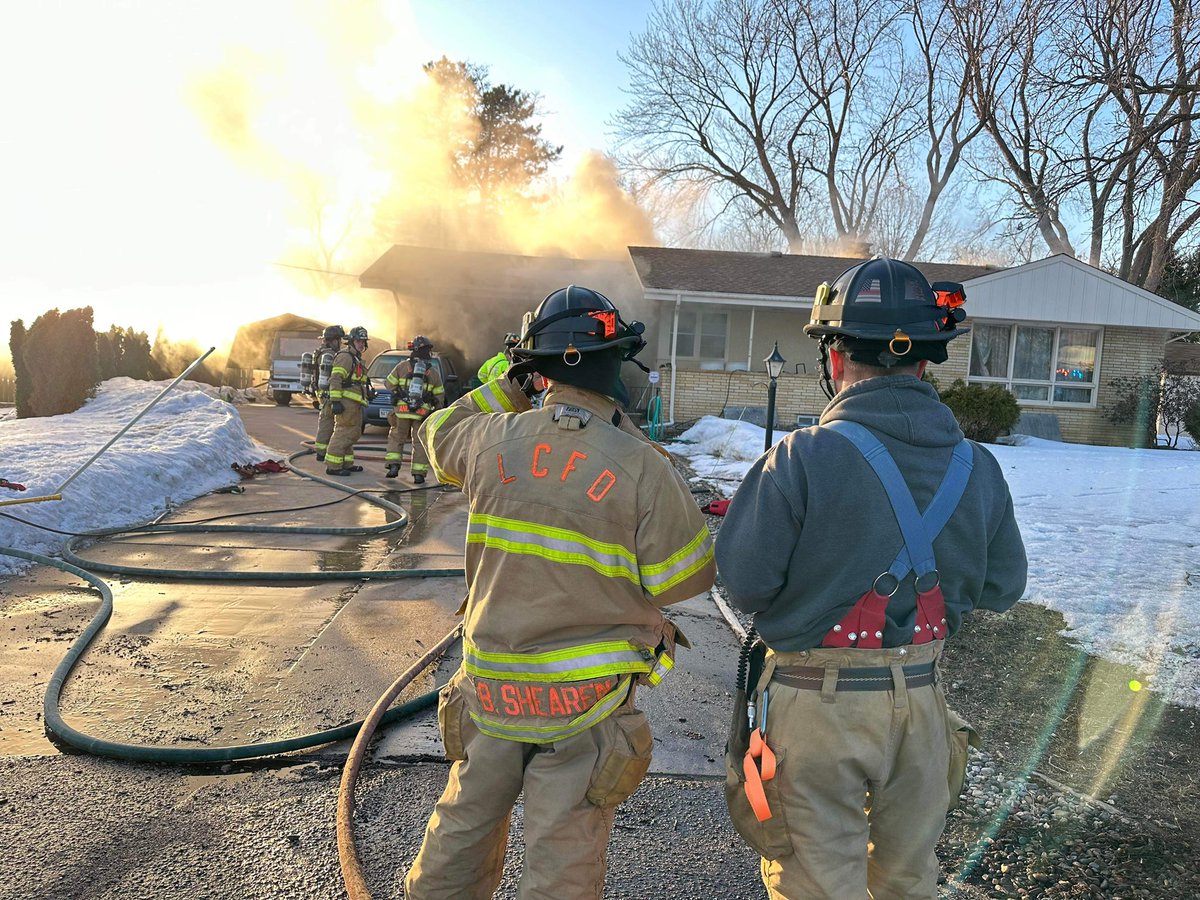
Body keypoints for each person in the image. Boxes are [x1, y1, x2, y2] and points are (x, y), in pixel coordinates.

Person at [715, 257, 1027, 899]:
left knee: (816, 882)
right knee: (908, 882)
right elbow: (1004, 587)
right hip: (922, 707)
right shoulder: (980, 468)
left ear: (834, 358)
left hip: (815, 709)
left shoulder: (800, 459)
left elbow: (744, 583)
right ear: (925, 362)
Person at [405, 285, 716, 899]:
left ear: (534, 366)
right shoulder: (643, 466)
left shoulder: (489, 438)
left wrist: (508, 385)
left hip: (493, 690)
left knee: (461, 833)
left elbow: (436, 430)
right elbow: (685, 580)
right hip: (586, 706)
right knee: (562, 860)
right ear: (617, 364)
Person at [384, 334, 444, 482]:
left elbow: (388, 383)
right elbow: (439, 395)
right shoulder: (433, 372)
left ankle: (393, 466)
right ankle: (418, 474)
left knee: (397, 437)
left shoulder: (402, 367)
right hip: (421, 413)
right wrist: (436, 410)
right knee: (419, 443)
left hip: (402, 411)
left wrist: (398, 393)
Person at [324, 325, 370, 476]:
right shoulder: (345, 357)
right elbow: (335, 379)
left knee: (352, 433)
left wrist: (368, 394)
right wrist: (336, 401)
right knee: (343, 432)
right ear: (351, 341)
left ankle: (346, 463)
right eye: (358, 341)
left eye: (363, 341)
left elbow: (357, 382)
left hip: (354, 403)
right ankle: (333, 466)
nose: (361, 344)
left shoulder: (355, 357)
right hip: (345, 402)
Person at [312, 324, 344, 461]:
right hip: (329, 394)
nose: (341, 344)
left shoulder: (320, 352)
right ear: (334, 340)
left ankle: (321, 451)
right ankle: (322, 452)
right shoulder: (330, 355)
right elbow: (334, 377)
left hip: (322, 392)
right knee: (327, 423)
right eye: (339, 340)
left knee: (325, 422)